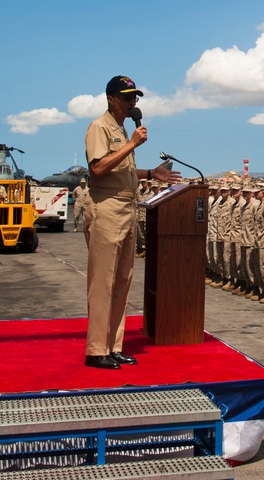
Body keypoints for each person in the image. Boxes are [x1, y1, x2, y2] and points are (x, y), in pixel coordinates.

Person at [83, 75, 179, 369]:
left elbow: (123, 171)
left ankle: (113, 346)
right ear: (111, 99)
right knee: (103, 280)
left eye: (135, 98)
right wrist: (133, 144)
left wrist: (151, 173)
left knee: (123, 280)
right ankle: (96, 350)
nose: (132, 103)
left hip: (126, 207)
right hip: (106, 206)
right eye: (127, 98)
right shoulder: (99, 127)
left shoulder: (123, 131)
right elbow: (98, 168)